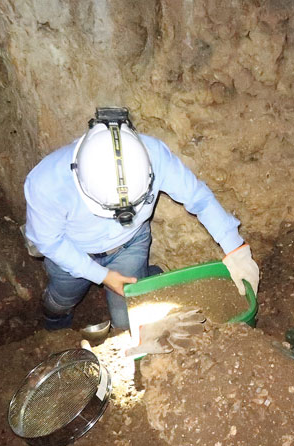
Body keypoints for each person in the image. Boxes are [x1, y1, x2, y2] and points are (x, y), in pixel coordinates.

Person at [24, 107, 259, 332]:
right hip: (73, 250)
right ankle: (55, 328)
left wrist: (236, 249)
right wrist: (102, 276)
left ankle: (145, 277)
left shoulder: (153, 155)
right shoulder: (46, 183)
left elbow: (199, 198)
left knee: (128, 322)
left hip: (130, 245)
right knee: (61, 300)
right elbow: (49, 242)